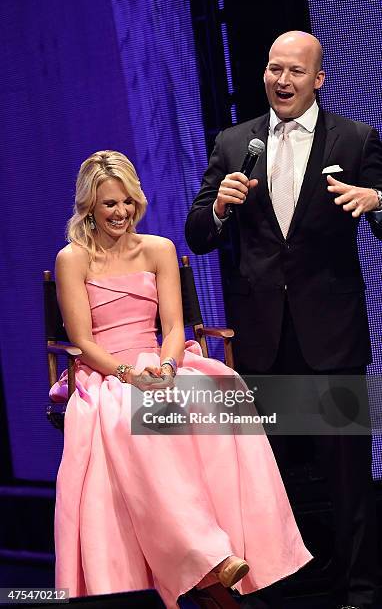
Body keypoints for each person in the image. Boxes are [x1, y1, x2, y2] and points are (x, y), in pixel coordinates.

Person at [50, 150, 311, 609]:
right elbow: (82, 341)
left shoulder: (159, 249)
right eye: (109, 203)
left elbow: (173, 327)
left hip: (162, 360)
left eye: (128, 201)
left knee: (222, 392)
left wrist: (167, 369)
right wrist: (130, 375)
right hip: (108, 371)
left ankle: (244, 546)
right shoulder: (73, 259)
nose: (121, 212)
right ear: (89, 206)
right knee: (138, 416)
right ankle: (208, 556)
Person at [185, 31, 382, 609]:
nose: (283, 80)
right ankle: (278, 588)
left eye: (296, 71)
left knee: (346, 475)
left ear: (318, 79)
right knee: (268, 475)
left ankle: (361, 592)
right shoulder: (233, 142)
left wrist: (378, 200)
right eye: (274, 69)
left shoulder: (356, 137)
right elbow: (197, 235)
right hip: (263, 336)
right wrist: (219, 206)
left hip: (333, 334)